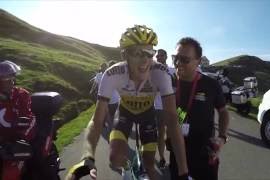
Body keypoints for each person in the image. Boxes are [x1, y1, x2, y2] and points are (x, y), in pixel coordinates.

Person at [66, 25, 188, 180]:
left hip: (147, 115)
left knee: (150, 164)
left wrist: (184, 172)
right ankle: (127, 168)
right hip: (125, 113)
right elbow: (97, 120)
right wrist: (87, 156)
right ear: (124, 55)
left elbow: (172, 118)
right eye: (137, 53)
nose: (145, 60)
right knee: (115, 158)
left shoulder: (161, 74)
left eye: (150, 53)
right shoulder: (112, 74)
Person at [168, 37, 230, 180]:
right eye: (175, 58)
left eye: (185, 60)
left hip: (204, 152)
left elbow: (223, 112)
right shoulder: (168, 82)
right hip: (177, 151)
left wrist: (222, 137)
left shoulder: (211, 85)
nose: (178, 63)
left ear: (198, 61)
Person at [0, 60, 36, 180]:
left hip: (17, 145)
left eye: (12, 78)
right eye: (7, 80)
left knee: (9, 175)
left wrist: (21, 139)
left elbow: (30, 118)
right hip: (2, 145)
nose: (12, 82)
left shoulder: (21, 95)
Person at [154, 49, 175, 169]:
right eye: (157, 56)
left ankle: (174, 155)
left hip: (176, 107)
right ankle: (162, 158)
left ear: (166, 57)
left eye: (161, 55)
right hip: (159, 107)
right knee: (160, 133)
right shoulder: (153, 71)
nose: (158, 57)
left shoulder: (172, 70)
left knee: (176, 132)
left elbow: (178, 86)